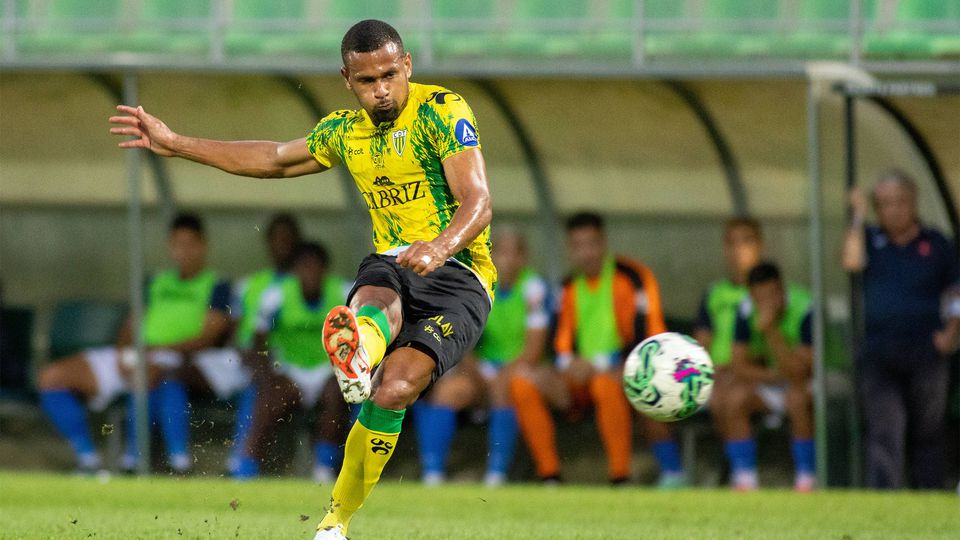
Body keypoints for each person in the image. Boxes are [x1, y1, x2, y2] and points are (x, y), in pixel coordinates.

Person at [110, 20, 495, 539]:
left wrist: (442, 246)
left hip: (461, 275)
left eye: (388, 75)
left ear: (407, 66)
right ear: (346, 79)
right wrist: (177, 143)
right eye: (366, 81)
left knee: (397, 389)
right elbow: (271, 158)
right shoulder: (343, 130)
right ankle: (358, 350)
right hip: (394, 262)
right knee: (378, 290)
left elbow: (479, 200)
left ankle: (339, 512)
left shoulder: (441, 110)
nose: (380, 89)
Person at [38, 213, 232, 474]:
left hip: (177, 357)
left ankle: (148, 462)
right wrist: (123, 354)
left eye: (191, 244)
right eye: (178, 244)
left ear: (203, 246)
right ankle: (88, 459)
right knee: (51, 377)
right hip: (140, 353)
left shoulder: (217, 285)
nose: (184, 252)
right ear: (170, 247)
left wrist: (156, 353)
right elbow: (130, 325)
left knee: (152, 375)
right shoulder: (156, 282)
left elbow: (209, 336)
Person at [510, 212, 685, 486]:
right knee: (522, 383)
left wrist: (612, 366)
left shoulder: (634, 278)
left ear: (603, 243)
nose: (586, 253)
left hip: (628, 370)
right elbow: (560, 346)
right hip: (581, 378)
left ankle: (623, 477)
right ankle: (549, 476)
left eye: (591, 244)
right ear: (570, 249)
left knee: (608, 384)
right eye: (577, 246)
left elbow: (650, 338)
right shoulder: (567, 288)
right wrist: (568, 365)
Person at [841, 171, 959, 489]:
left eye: (900, 202)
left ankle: (930, 494)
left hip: (926, 349)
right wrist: (858, 215)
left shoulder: (935, 244)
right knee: (884, 427)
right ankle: (885, 495)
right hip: (880, 350)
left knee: (928, 429)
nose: (894, 210)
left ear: (913, 202)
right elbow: (851, 262)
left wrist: (952, 331)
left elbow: (954, 292)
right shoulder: (871, 240)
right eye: (885, 204)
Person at [414, 227, 549, 486]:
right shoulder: (477, 285)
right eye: (501, 252)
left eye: (513, 253)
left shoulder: (533, 288)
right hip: (483, 369)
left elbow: (533, 351)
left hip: (520, 369)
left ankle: (497, 472)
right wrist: (479, 374)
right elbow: (461, 342)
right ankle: (432, 472)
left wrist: (501, 377)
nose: (507, 260)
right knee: (448, 392)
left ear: (523, 258)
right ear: (491, 254)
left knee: (504, 389)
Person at [234, 241, 352, 482]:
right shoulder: (275, 296)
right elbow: (259, 341)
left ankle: (323, 468)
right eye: (304, 267)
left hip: (328, 369)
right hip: (290, 369)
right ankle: (246, 468)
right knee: (269, 401)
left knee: (336, 395)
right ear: (295, 271)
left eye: (315, 267)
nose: (309, 273)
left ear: (325, 269)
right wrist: (267, 377)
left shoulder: (343, 293)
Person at [725, 262, 814, 491]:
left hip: (817, 380)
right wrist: (771, 376)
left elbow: (799, 372)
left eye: (771, 296)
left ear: (781, 288)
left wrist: (770, 330)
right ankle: (744, 478)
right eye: (759, 299)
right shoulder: (746, 309)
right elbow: (738, 365)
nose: (765, 305)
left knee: (797, 399)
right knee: (734, 398)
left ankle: (807, 477)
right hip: (774, 380)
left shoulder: (806, 307)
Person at [226, 213, 303, 476]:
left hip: (278, 360)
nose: (282, 245)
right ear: (268, 243)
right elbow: (234, 327)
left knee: (260, 385)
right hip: (242, 357)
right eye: (276, 239)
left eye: (287, 239)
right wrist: (241, 350)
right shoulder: (250, 284)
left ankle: (242, 463)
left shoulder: (306, 281)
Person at [693, 218, 763, 455]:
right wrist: (710, 370)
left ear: (759, 247)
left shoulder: (766, 292)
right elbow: (700, 343)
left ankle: (741, 472)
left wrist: (742, 369)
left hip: (752, 374)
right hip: (717, 373)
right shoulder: (714, 292)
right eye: (732, 243)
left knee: (732, 398)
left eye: (746, 242)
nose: (738, 250)